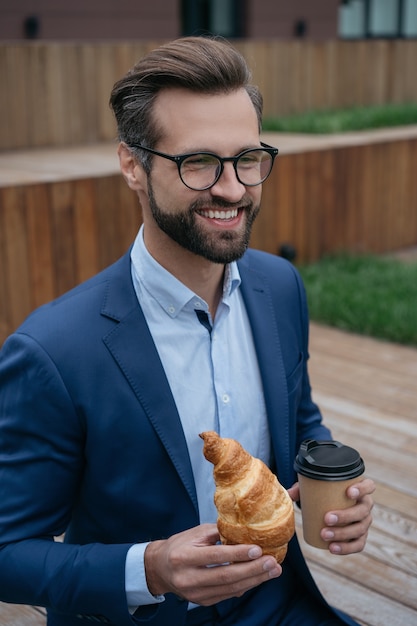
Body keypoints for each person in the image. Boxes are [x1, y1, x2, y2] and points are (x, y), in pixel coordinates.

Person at [0, 37, 374, 626]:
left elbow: (299, 422)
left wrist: (331, 490)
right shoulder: (52, 351)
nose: (232, 188)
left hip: (280, 606)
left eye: (247, 158)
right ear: (133, 166)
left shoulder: (281, 288)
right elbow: (7, 552)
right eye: (198, 162)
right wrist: (148, 568)